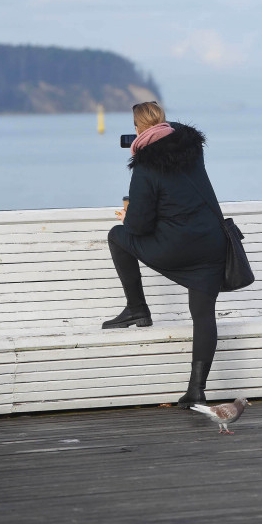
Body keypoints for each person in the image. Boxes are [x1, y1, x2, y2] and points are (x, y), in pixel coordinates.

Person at [103, 101, 227, 408]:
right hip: (213, 243)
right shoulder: (193, 150)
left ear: (137, 129)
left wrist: (128, 213)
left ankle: (137, 309)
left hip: (177, 249)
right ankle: (196, 390)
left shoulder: (145, 167)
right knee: (203, 315)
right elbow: (177, 145)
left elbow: (139, 226)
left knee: (118, 236)